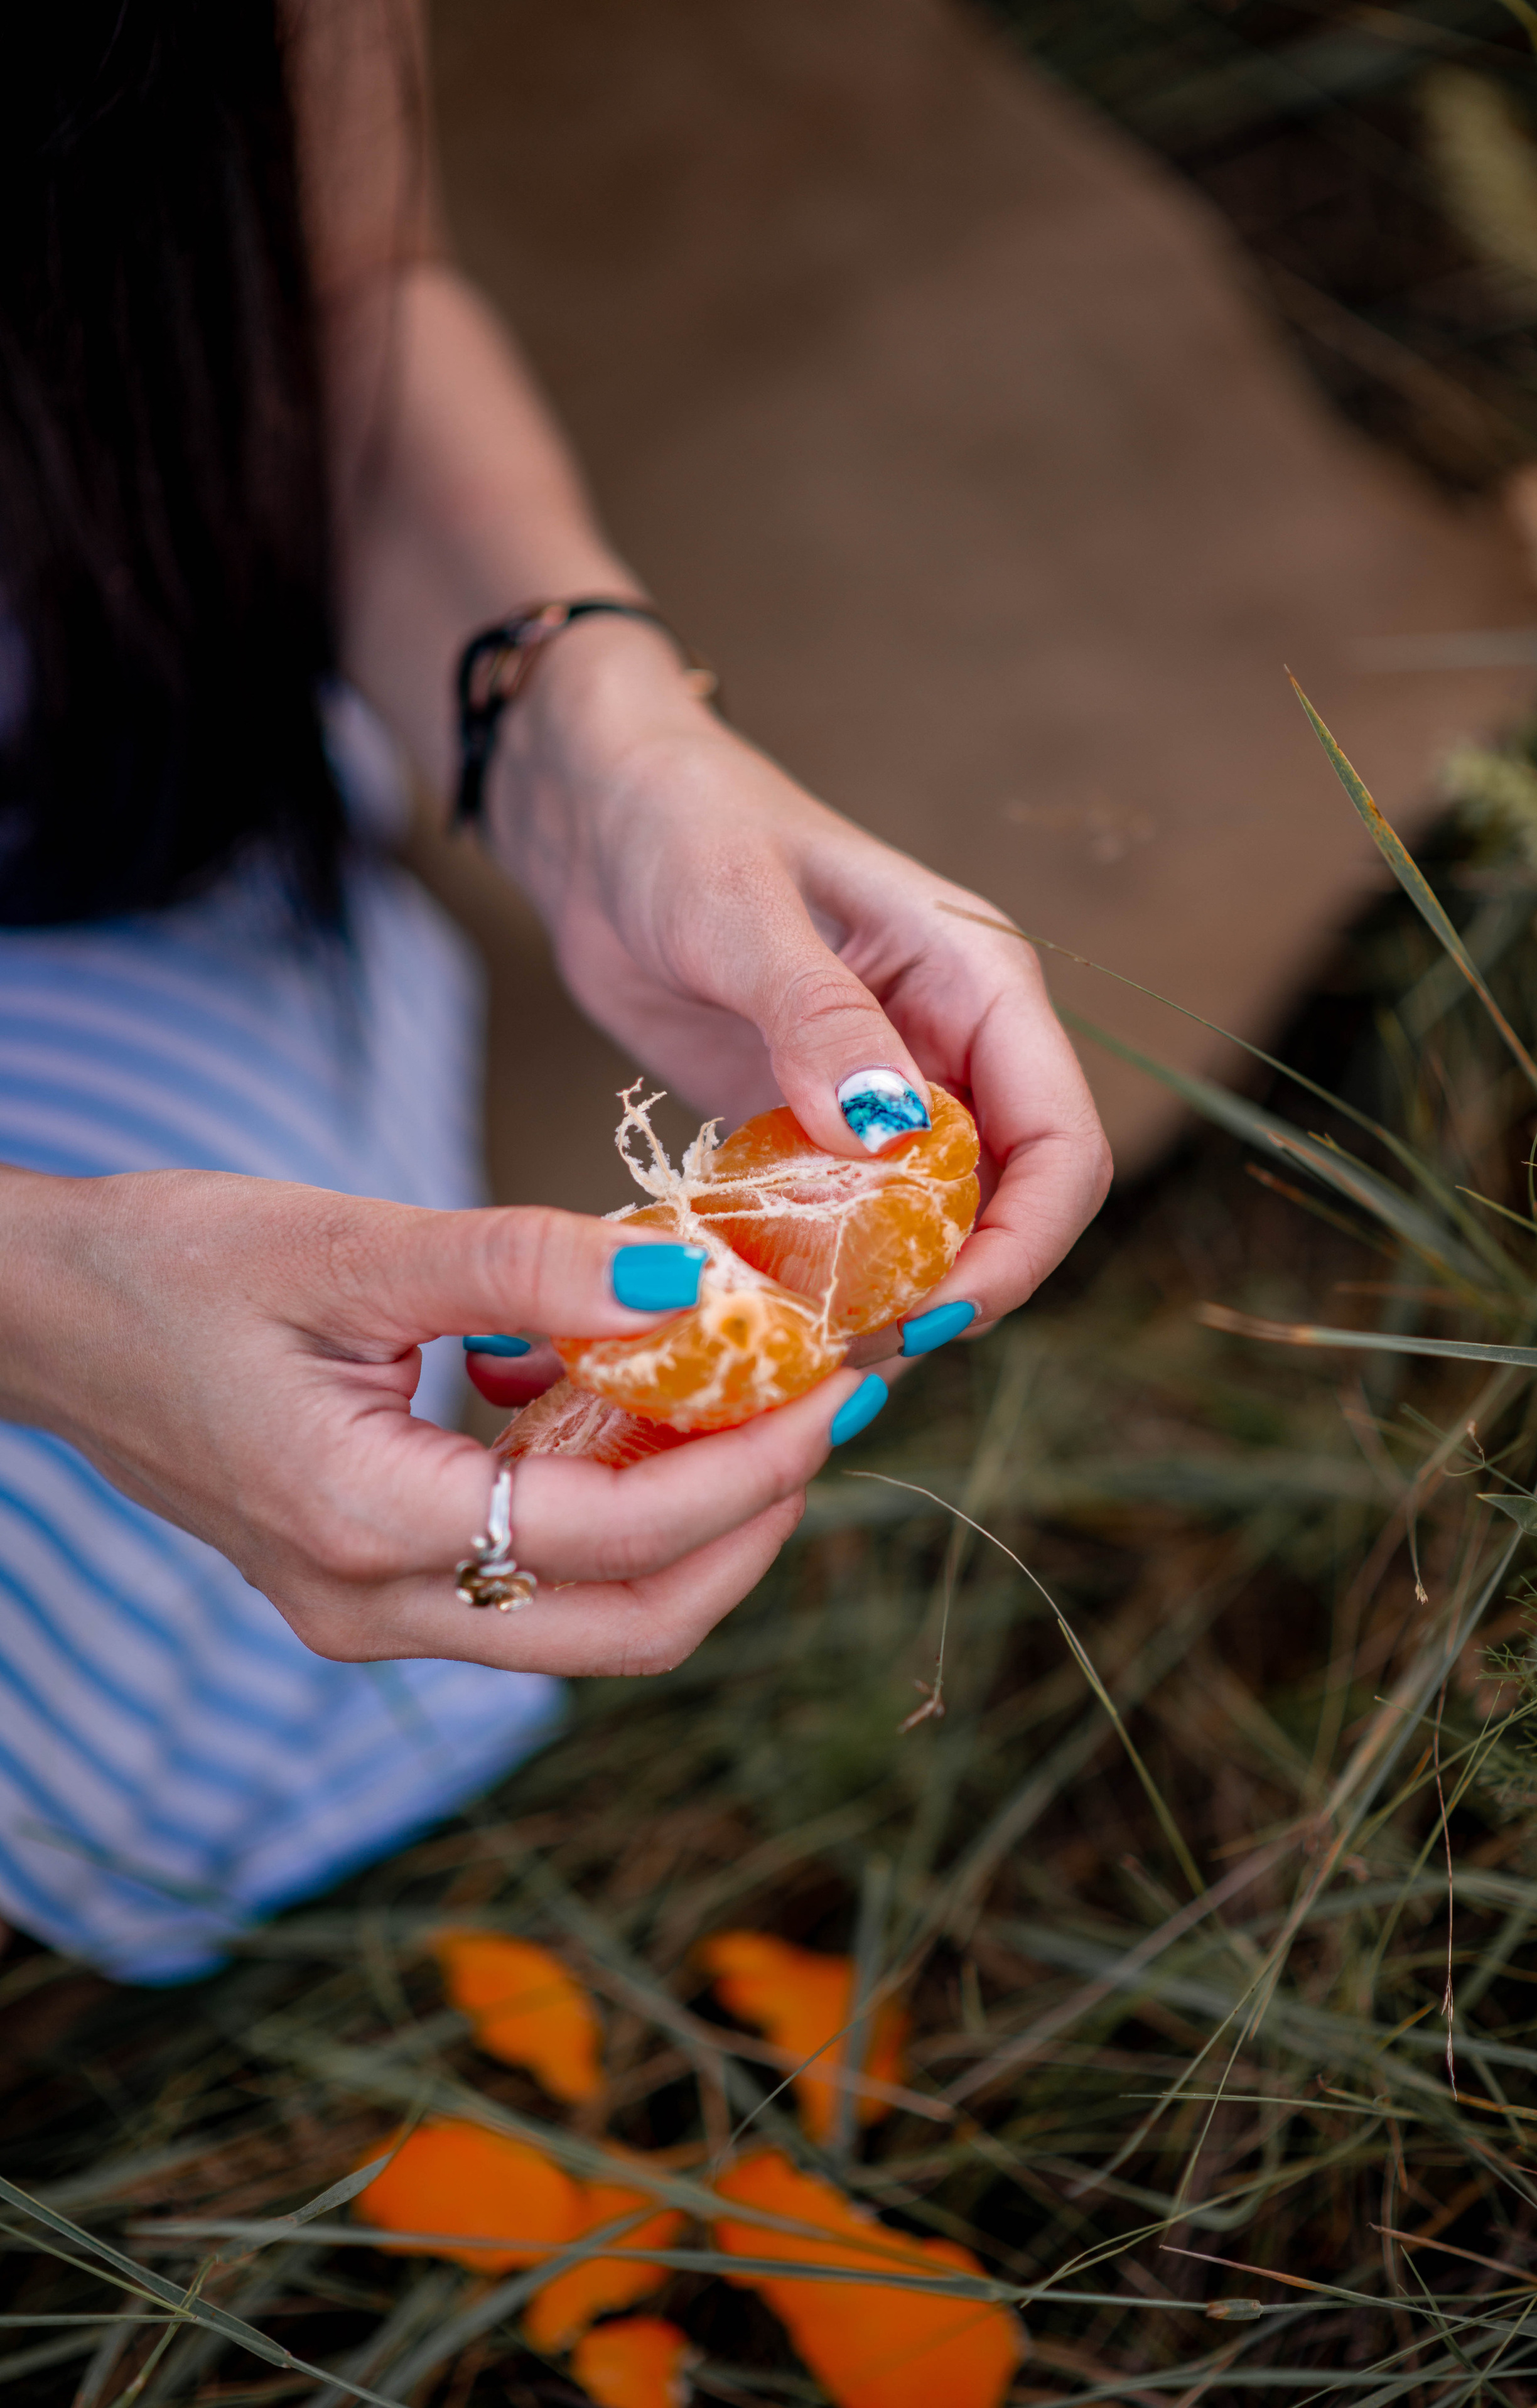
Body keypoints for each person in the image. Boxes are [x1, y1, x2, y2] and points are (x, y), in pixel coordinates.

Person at [0, 0, 1109, 1982]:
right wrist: (47, 1302)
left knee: (242, 1589)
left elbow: (338, 301)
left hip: (88, 745)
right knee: (148, 1681)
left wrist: (596, 735)